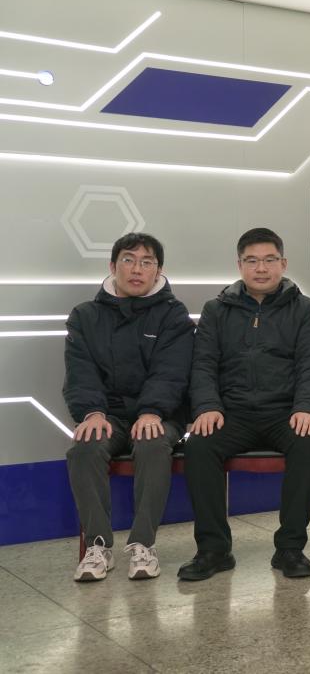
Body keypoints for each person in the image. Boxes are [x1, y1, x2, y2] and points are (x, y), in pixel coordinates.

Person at [179, 228, 310, 581]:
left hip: (286, 413)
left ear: (283, 264)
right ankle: (214, 550)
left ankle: (290, 549)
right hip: (232, 413)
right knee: (199, 446)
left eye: (269, 260)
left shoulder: (305, 309)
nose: (261, 268)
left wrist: (306, 407)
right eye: (252, 261)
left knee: (308, 442)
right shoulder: (216, 310)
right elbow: (203, 364)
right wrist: (207, 406)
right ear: (240, 265)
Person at [64, 233, 193, 581]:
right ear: (113, 266)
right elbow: (80, 372)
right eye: (129, 260)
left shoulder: (173, 314)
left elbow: (172, 371)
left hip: (161, 414)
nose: (137, 269)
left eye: (146, 262)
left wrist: (152, 410)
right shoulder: (85, 316)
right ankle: (98, 546)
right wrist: (92, 412)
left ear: (158, 271)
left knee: (152, 443)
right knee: (84, 448)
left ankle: (143, 544)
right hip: (107, 414)